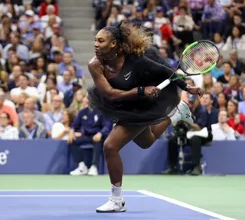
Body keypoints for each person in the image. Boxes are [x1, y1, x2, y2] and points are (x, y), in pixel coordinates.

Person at [86, 22, 204, 213]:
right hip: (125, 101)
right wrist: (141, 90)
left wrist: (187, 87)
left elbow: (166, 72)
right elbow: (111, 94)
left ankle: (117, 200)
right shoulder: (95, 65)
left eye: (101, 40)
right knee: (146, 142)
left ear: (114, 44)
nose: (96, 44)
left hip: (146, 104)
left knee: (110, 146)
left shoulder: (135, 60)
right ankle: (176, 114)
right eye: (95, 40)